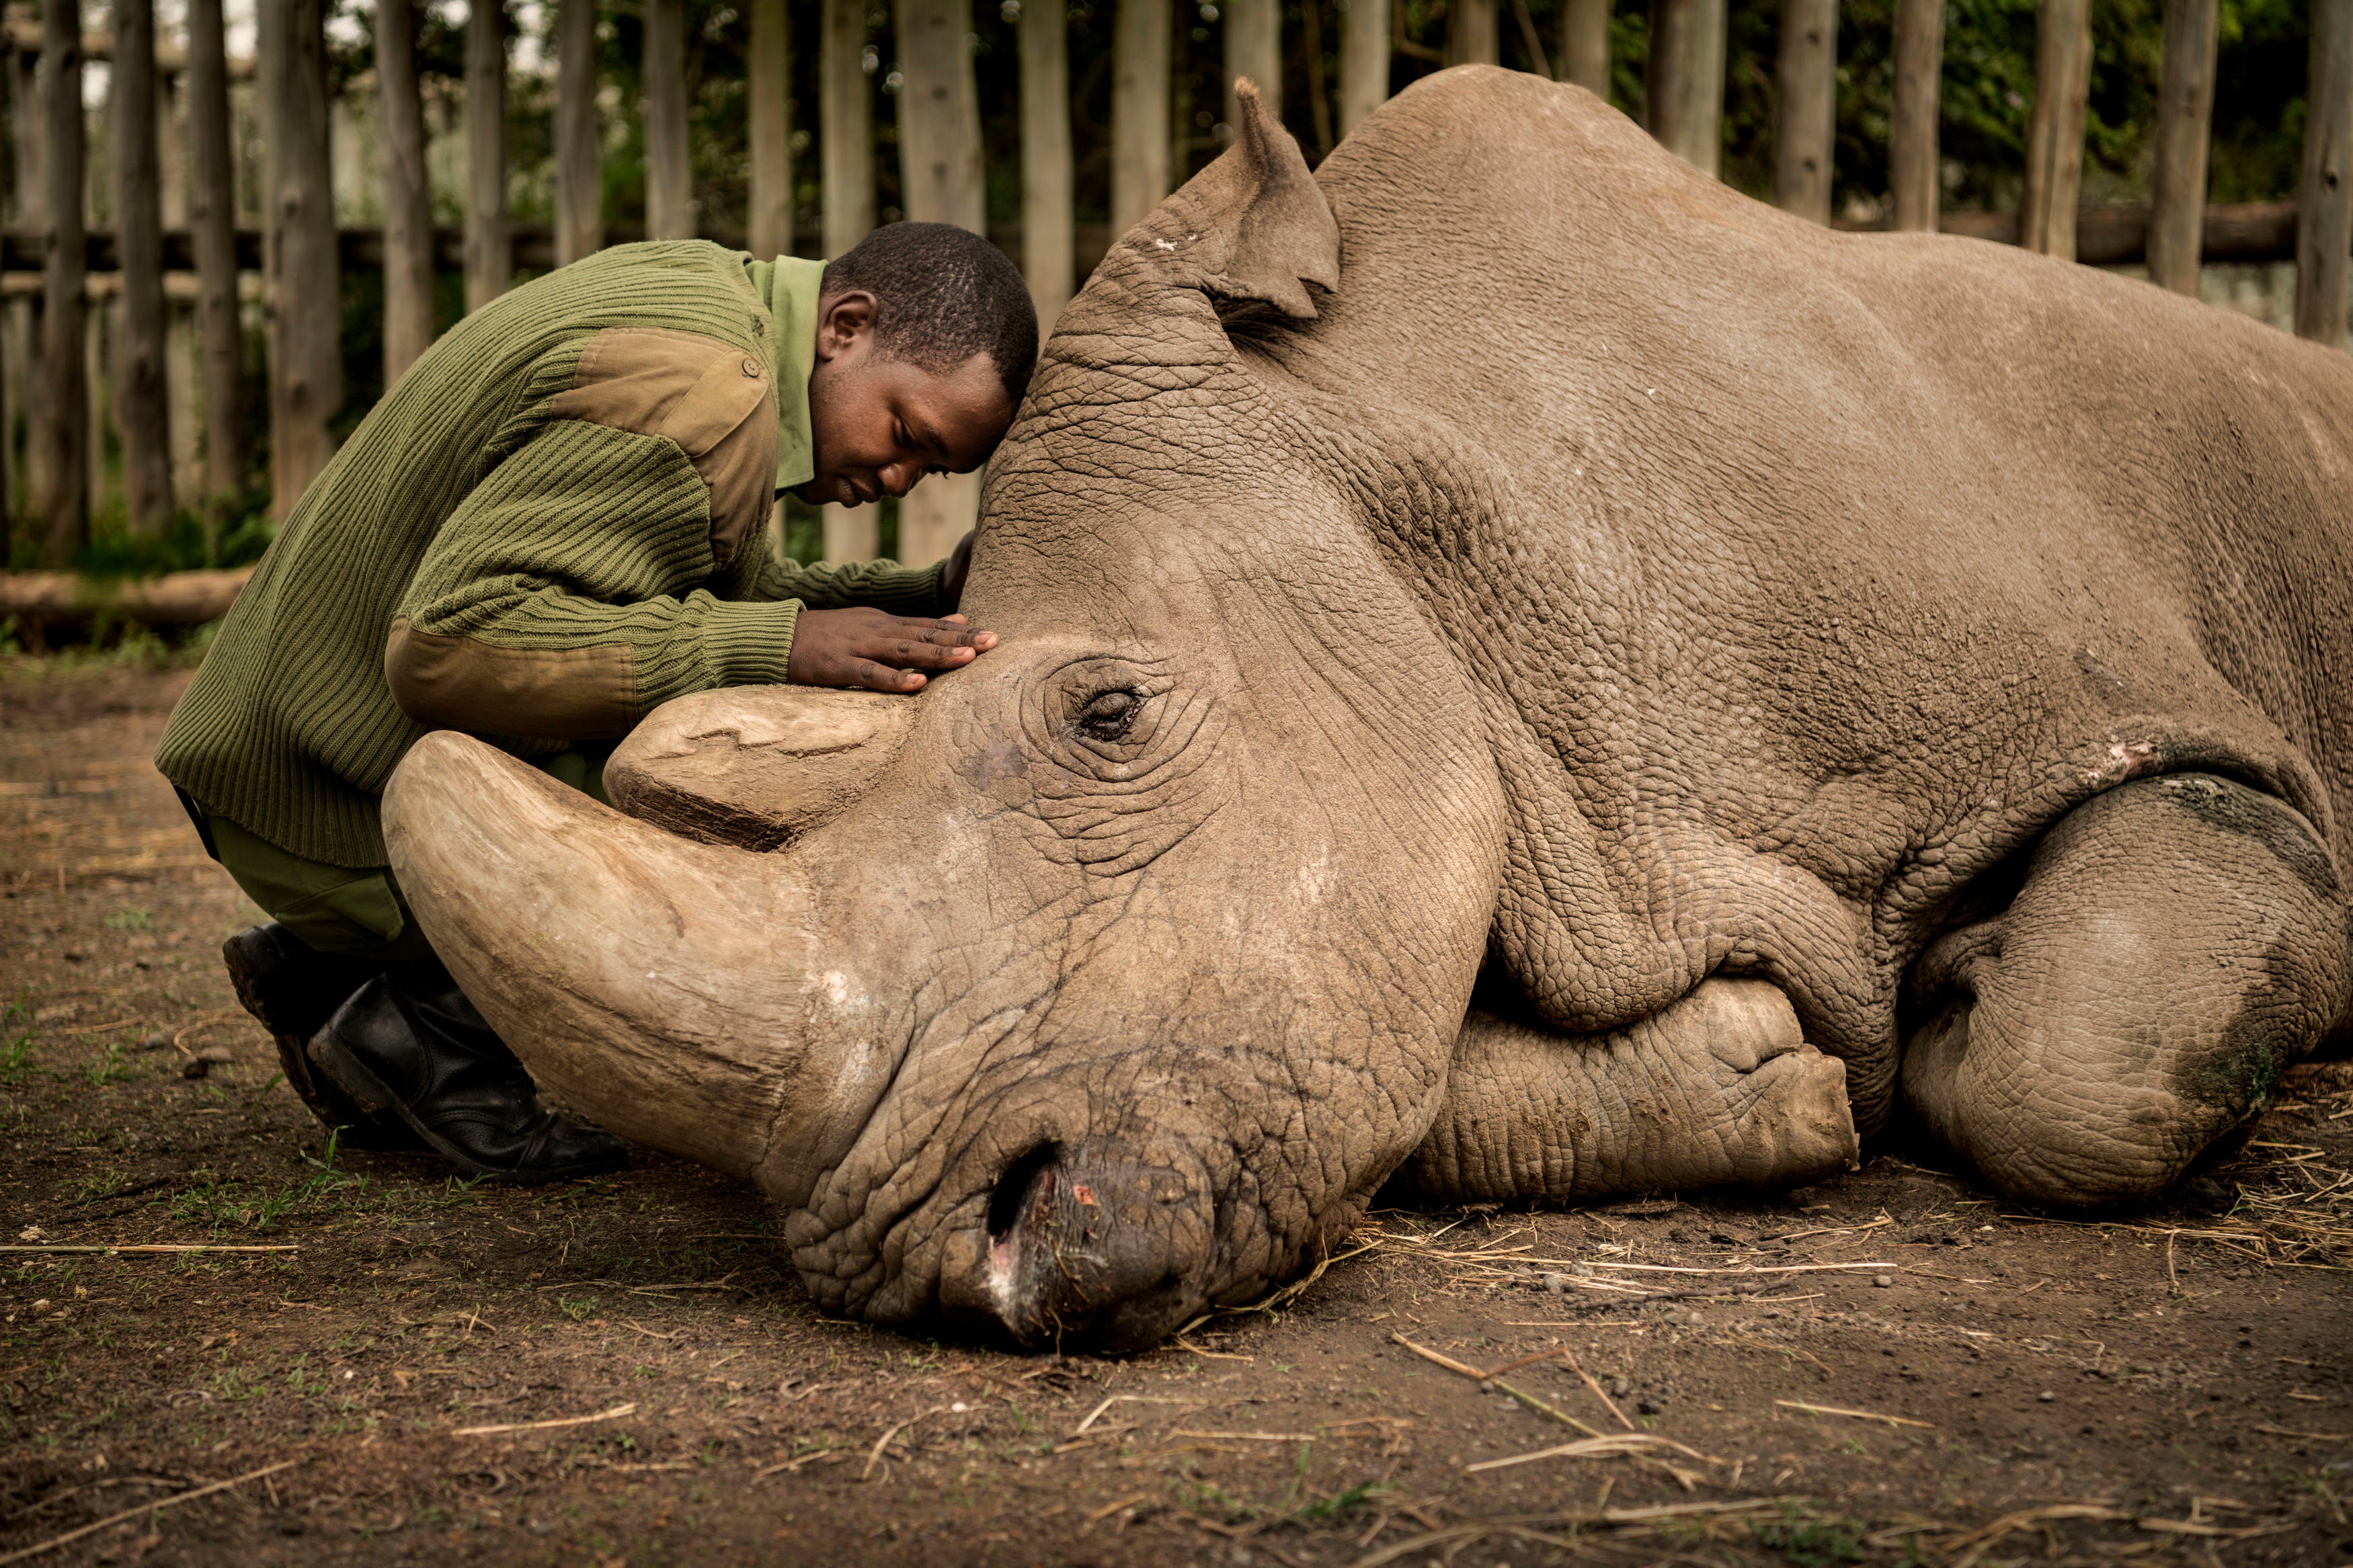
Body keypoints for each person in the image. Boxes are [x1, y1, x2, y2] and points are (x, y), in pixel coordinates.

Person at [155, 222, 1037, 1183]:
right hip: (316, 795)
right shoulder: (702, 398)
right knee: (722, 784)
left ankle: (332, 965)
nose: (899, 477)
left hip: (277, 748)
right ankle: (416, 1019)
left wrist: (919, 598)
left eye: (933, 470)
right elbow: (448, 646)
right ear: (846, 326)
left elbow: (707, 593)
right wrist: (778, 647)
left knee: (724, 695)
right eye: (906, 433)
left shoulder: (718, 307)